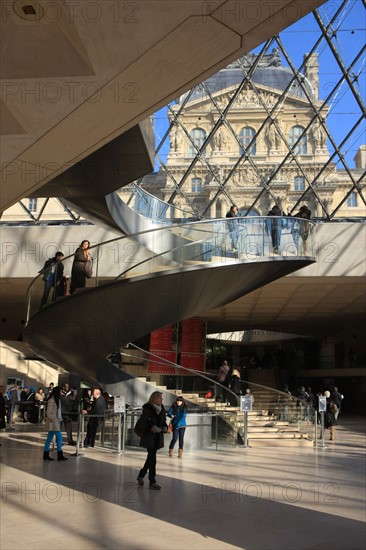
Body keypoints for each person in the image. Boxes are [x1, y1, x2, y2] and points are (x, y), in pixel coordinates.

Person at [136, 391, 167, 490]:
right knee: (153, 459)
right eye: (160, 398)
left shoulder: (162, 409)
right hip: (149, 437)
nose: (162, 400)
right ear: (154, 398)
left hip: (157, 437)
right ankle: (152, 481)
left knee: (150, 458)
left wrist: (164, 427)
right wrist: (151, 427)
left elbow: (163, 421)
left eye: (162, 398)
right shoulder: (147, 408)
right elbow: (143, 423)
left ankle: (141, 475)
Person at [43, 386, 68, 461]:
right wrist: (55, 419)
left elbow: (57, 411)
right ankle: (60, 455)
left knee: (49, 438)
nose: (61, 392)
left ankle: (46, 454)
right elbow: (48, 412)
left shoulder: (57, 400)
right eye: (60, 391)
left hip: (55, 421)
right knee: (59, 437)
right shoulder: (52, 400)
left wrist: (59, 418)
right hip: (53, 422)